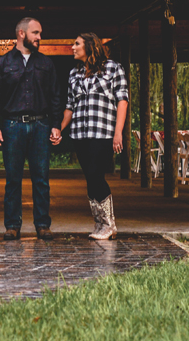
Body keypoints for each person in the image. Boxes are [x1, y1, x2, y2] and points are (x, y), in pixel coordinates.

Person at [0, 17, 62, 240]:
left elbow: (56, 97)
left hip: (41, 124)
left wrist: (56, 125)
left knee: (41, 178)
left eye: (40, 33)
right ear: (21, 33)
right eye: (35, 33)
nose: (39, 37)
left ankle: (42, 225)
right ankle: (12, 225)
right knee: (13, 178)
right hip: (12, 126)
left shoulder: (46, 64)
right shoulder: (1, 64)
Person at [60, 32, 128, 241]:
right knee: (90, 177)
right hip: (80, 133)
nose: (72, 47)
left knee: (97, 176)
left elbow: (122, 101)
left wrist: (118, 133)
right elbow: (70, 106)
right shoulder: (74, 74)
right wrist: (59, 128)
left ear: (89, 47)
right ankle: (99, 224)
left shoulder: (113, 69)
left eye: (76, 43)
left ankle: (109, 224)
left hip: (103, 133)